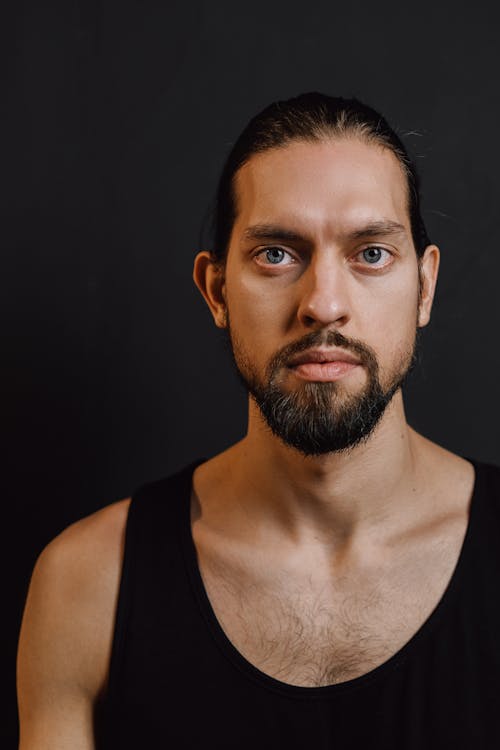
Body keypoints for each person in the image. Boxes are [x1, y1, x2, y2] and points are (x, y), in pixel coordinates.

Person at [16, 93, 500, 749]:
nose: (324, 304)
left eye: (372, 254)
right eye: (276, 254)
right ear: (216, 292)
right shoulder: (88, 583)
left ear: (426, 287)